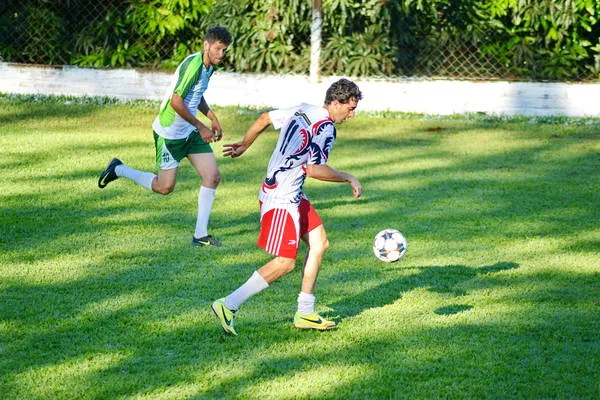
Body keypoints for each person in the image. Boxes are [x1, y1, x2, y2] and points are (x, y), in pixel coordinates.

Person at [211, 78, 363, 335]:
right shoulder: (325, 126)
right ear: (336, 103)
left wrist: (244, 145)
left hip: (289, 192)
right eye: (350, 108)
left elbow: (263, 119)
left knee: (319, 243)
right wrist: (348, 176)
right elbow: (314, 169)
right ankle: (229, 304)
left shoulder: (303, 108)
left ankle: (305, 312)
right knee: (285, 263)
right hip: (282, 199)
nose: (353, 114)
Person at [98, 26, 232, 247]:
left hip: (189, 131)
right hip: (170, 134)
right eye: (218, 49)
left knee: (212, 177)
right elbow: (176, 102)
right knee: (164, 187)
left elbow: (196, 95)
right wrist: (201, 126)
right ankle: (118, 169)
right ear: (206, 45)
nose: (221, 54)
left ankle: (200, 235)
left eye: (224, 50)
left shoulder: (209, 67)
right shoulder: (194, 66)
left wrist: (212, 117)